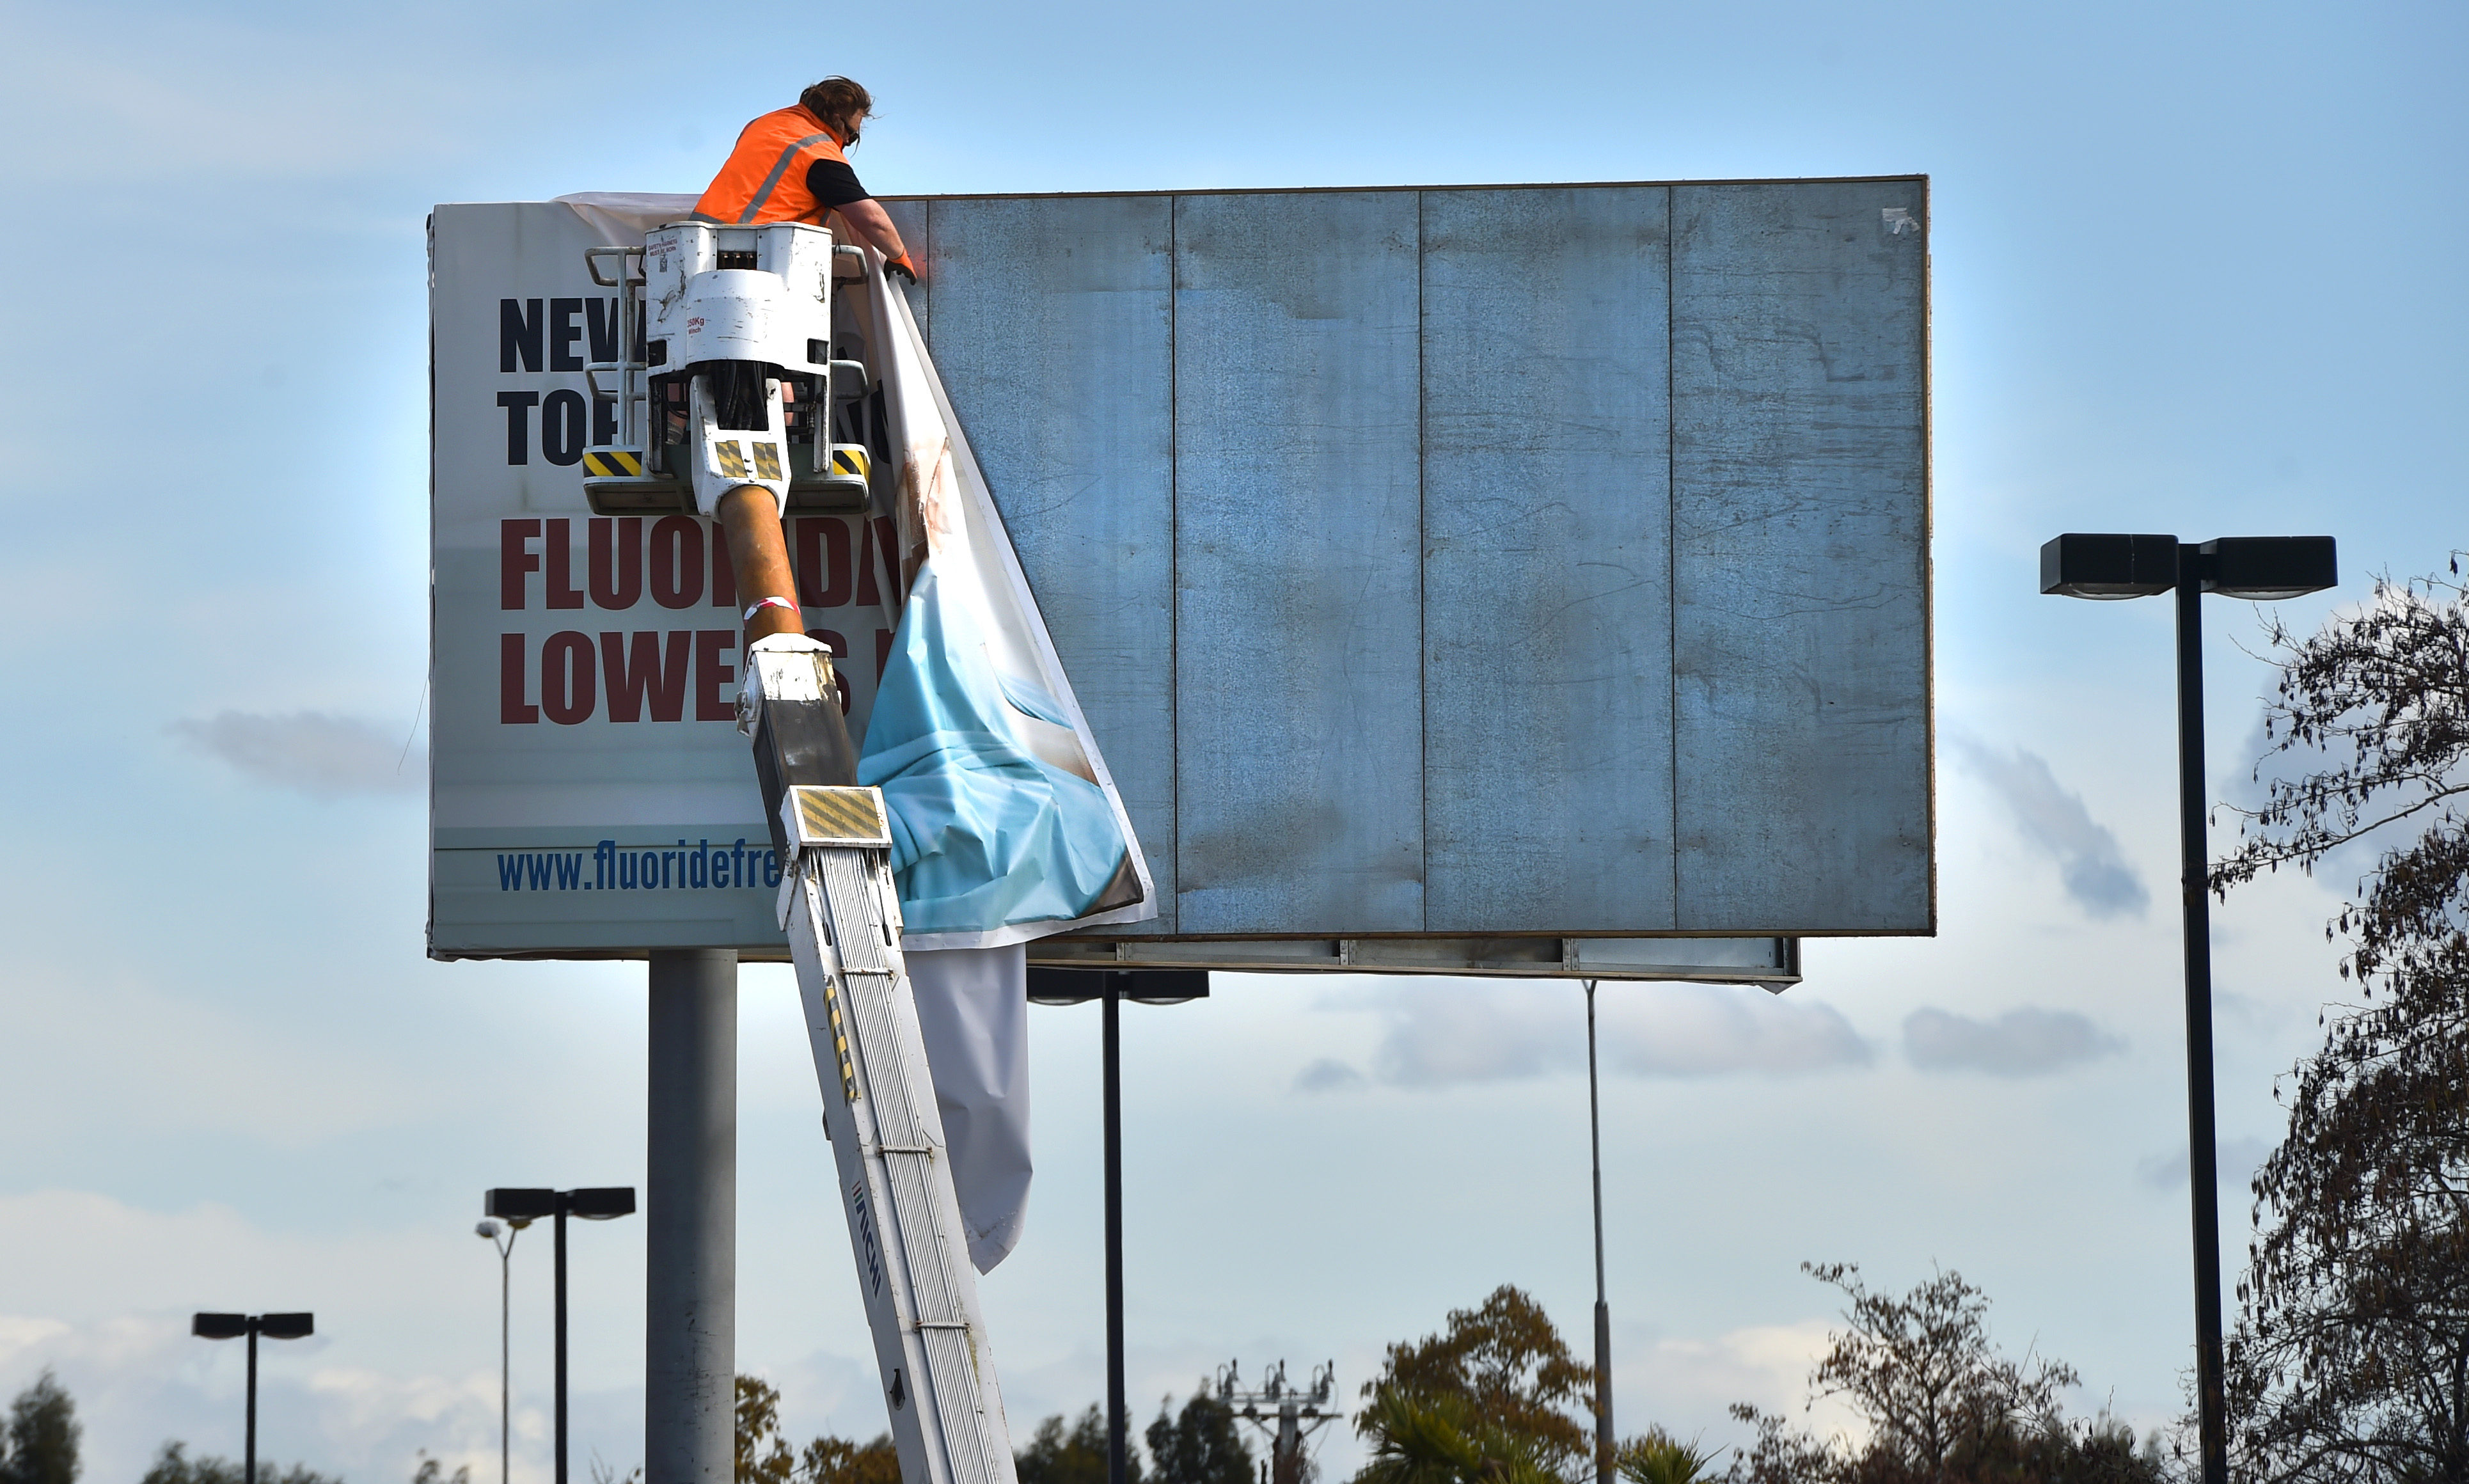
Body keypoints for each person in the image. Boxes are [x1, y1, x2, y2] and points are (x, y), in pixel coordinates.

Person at [693, 77, 919, 283]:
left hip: (697, 250)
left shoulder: (762, 124)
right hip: (752, 259)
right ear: (837, 119)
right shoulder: (818, 152)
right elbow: (871, 219)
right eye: (852, 134)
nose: (848, 141)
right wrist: (899, 255)